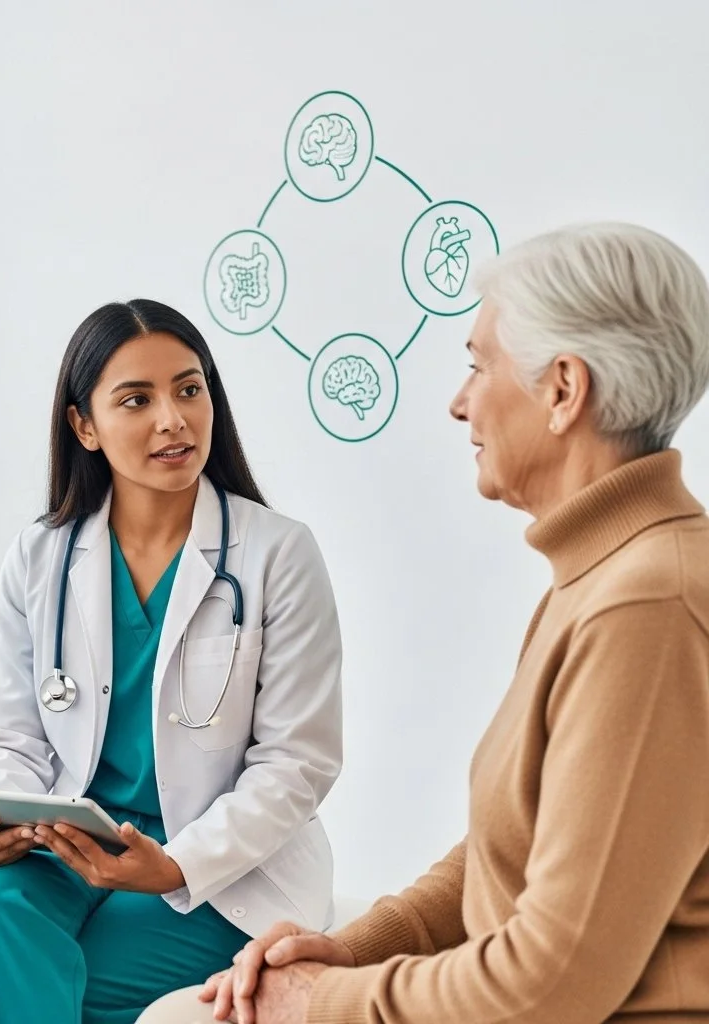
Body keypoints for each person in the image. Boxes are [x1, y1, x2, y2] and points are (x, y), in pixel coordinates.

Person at [148, 222, 709, 1024]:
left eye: (478, 367)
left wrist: (324, 1001)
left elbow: (553, 982)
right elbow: (515, 852)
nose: (458, 402)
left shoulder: (646, 610)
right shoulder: (604, 580)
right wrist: (360, 943)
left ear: (563, 390)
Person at [0, 299, 344, 1024]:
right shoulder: (41, 555)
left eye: (189, 389)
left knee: (38, 979)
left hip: (218, 871)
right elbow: (8, 735)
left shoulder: (278, 554)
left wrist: (174, 865)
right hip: (70, 846)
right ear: (84, 425)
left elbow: (298, 763)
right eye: (136, 400)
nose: (172, 418)